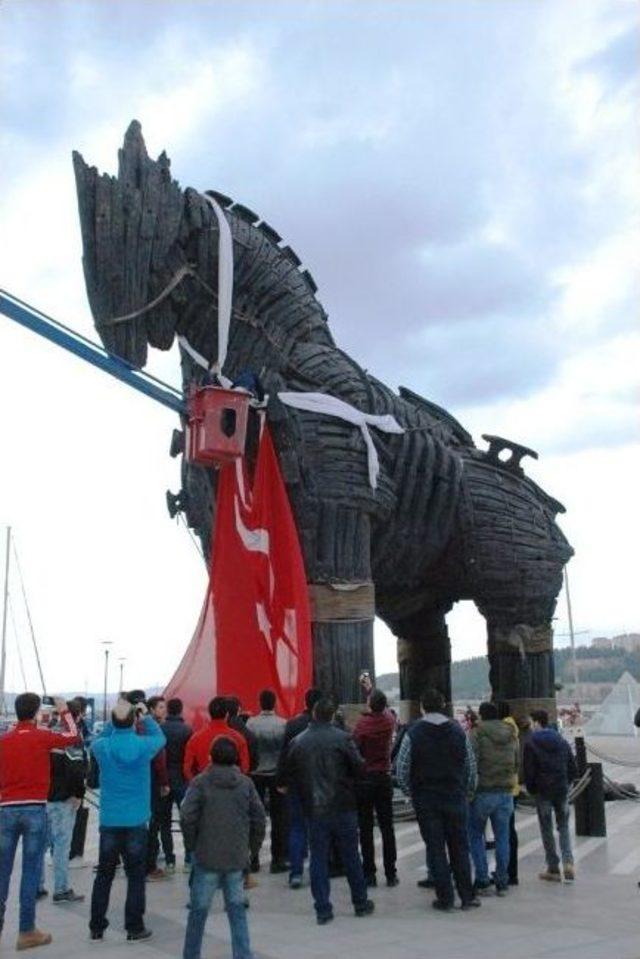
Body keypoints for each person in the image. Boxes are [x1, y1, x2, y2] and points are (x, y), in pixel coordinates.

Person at [284, 698, 374, 925]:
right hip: (343, 805)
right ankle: (360, 902)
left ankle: (323, 908)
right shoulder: (343, 739)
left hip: (314, 809)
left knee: (318, 858)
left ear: (313, 714)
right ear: (332, 715)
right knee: (352, 855)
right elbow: (360, 768)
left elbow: (288, 775)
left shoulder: (297, 742)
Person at [0, 693, 79, 951]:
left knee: (2, 872)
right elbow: (73, 736)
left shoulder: (4, 741)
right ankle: (26, 930)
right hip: (34, 808)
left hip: (6, 809)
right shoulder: (42, 737)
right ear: (35, 713)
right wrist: (65, 710)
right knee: (31, 872)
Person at [181, 737, 266, 959]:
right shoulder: (246, 784)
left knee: (198, 912)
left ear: (211, 757)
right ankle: (242, 954)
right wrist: (252, 850)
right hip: (236, 857)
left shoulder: (200, 782)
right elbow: (259, 819)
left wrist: (192, 846)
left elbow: (187, 816)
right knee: (237, 911)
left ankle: (191, 955)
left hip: (206, 855)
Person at [396, 687, 480, 912]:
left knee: (436, 849)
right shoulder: (458, 731)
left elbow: (402, 769)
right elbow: (470, 766)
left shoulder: (413, 733)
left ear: (422, 707)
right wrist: (468, 791)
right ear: (443, 705)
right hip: (455, 796)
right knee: (460, 847)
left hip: (427, 799)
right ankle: (467, 896)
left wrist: (412, 792)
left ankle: (445, 898)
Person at [89, 700, 165, 942]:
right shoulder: (144, 745)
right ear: (134, 720)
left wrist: (116, 719)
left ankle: (97, 926)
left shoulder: (102, 747)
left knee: (104, 874)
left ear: (113, 720)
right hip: (136, 820)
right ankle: (134, 926)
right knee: (135, 875)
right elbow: (160, 738)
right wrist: (145, 717)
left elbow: (96, 738)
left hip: (110, 819)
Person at [468, 701, 519, 896]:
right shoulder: (511, 733)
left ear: (481, 715)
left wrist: (470, 790)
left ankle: (482, 879)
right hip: (505, 792)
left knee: (474, 834)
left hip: (483, 791)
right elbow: (517, 762)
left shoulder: (477, 732)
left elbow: (471, 762)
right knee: (502, 837)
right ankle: (502, 879)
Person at [276, 687, 323, 888]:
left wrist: (281, 781)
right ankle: (319, 871)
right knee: (319, 830)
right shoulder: (328, 725)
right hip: (321, 786)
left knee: (296, 828)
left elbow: (284, 756)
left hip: (296, 785)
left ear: (305, 703)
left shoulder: (293, 724)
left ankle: (295, 873)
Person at [524, 708, 578, 883]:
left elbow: (529, 771)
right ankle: (568, 862)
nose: (530, 726)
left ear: (537, 722)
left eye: (531, 722)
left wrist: (532, 789)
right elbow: (572, 766)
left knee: (546, 829)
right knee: (563, 827)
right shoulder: (561, 740)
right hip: (561, 789)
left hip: (543, 792)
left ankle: (553, 868)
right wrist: (566, 782)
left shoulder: (531, 742)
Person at [353, 687, 398, 887]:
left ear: (370, 704)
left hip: (365, 779)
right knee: (387, 827)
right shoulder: (389, 721)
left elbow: (355, 748)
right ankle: (391, 873)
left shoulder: (362, 725)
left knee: (365, 828)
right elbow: (387, 710)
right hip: (383, 777)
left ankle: (369, 872)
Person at [46, 699, 87, 904]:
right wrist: (78, 794)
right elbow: (76, 768)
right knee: (62, 844)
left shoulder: (49, 732)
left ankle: (36, 885)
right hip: (63, 797)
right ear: (78, 716)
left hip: (44, 796)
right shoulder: (72, 738)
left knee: (42, 843)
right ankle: (61, 888)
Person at [246, 689, 288, 873]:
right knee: (279, 818)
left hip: (256, 774)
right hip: (276, 774)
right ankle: (277, 859)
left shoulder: (251, 724)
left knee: (255, 817)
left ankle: (253, 858)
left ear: (260, 703)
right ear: (274, 703)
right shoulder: (283, 724)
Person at [183, 697, 250, 781]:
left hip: (205, 789)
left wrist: (197, 785)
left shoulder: (195, 739)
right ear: (227, 714)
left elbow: (187, 769)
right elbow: (245, 768)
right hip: (231, 788)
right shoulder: (238, 738)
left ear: (210, 713)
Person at [163, 698, 193, 872]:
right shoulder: (187, 730)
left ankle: (169, 860)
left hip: (165, 779)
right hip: (182, 779)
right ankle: (189, 859)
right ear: (181, 710)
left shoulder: (161, 730)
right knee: (187, 820)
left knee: (164, 822)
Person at [145, 695, 173, 880]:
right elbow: (159, 760)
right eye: (161, 707)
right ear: (152, 709)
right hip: (153, 781)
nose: (164, 710)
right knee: (154, 823)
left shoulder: (138, 727)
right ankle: (151, 865)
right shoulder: (155, 732)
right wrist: (164, 782)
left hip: (142, 780)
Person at [496, 700, 521, 885]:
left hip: (502, 787)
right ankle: (509, 872)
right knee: (508, 831)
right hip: (511, 785)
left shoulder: (503, 730)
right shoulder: (513, 730)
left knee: (505, 832)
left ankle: (507, 872)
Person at [226, 697, 259, 773]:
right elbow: (254, 761)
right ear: (239, 710)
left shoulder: (218, 733)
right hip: (243, 775)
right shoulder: (248, 731)